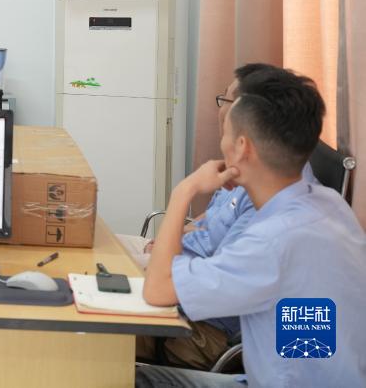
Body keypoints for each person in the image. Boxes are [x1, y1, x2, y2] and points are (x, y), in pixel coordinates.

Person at [137, 67, 366, 387]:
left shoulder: (271, 242)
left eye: (226, 131)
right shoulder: (328, 205)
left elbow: (157, 290)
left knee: (121, 376)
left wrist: (184, 191)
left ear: (242, 147)